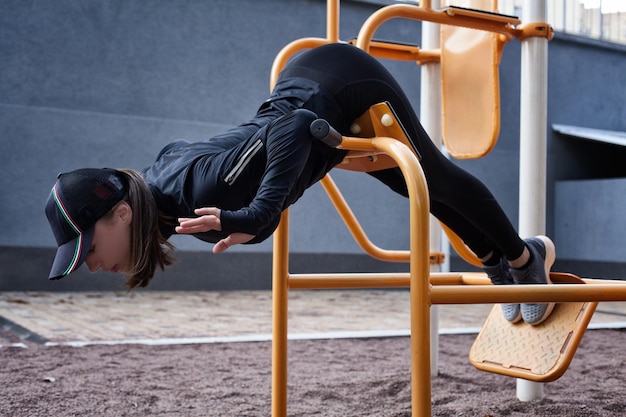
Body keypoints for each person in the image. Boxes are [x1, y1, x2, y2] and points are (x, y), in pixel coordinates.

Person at [45, 43, 556, 325]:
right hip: (310, 98)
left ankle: (523, 259)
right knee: (413, 187)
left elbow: (292, 126)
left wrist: (255, 216)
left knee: (432, 177)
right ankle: (495, 262)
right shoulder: (161, 196)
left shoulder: (192, 193)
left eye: (89, 247)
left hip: (339, 82)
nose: (91, 263)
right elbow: (178, 149)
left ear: (121, 214)